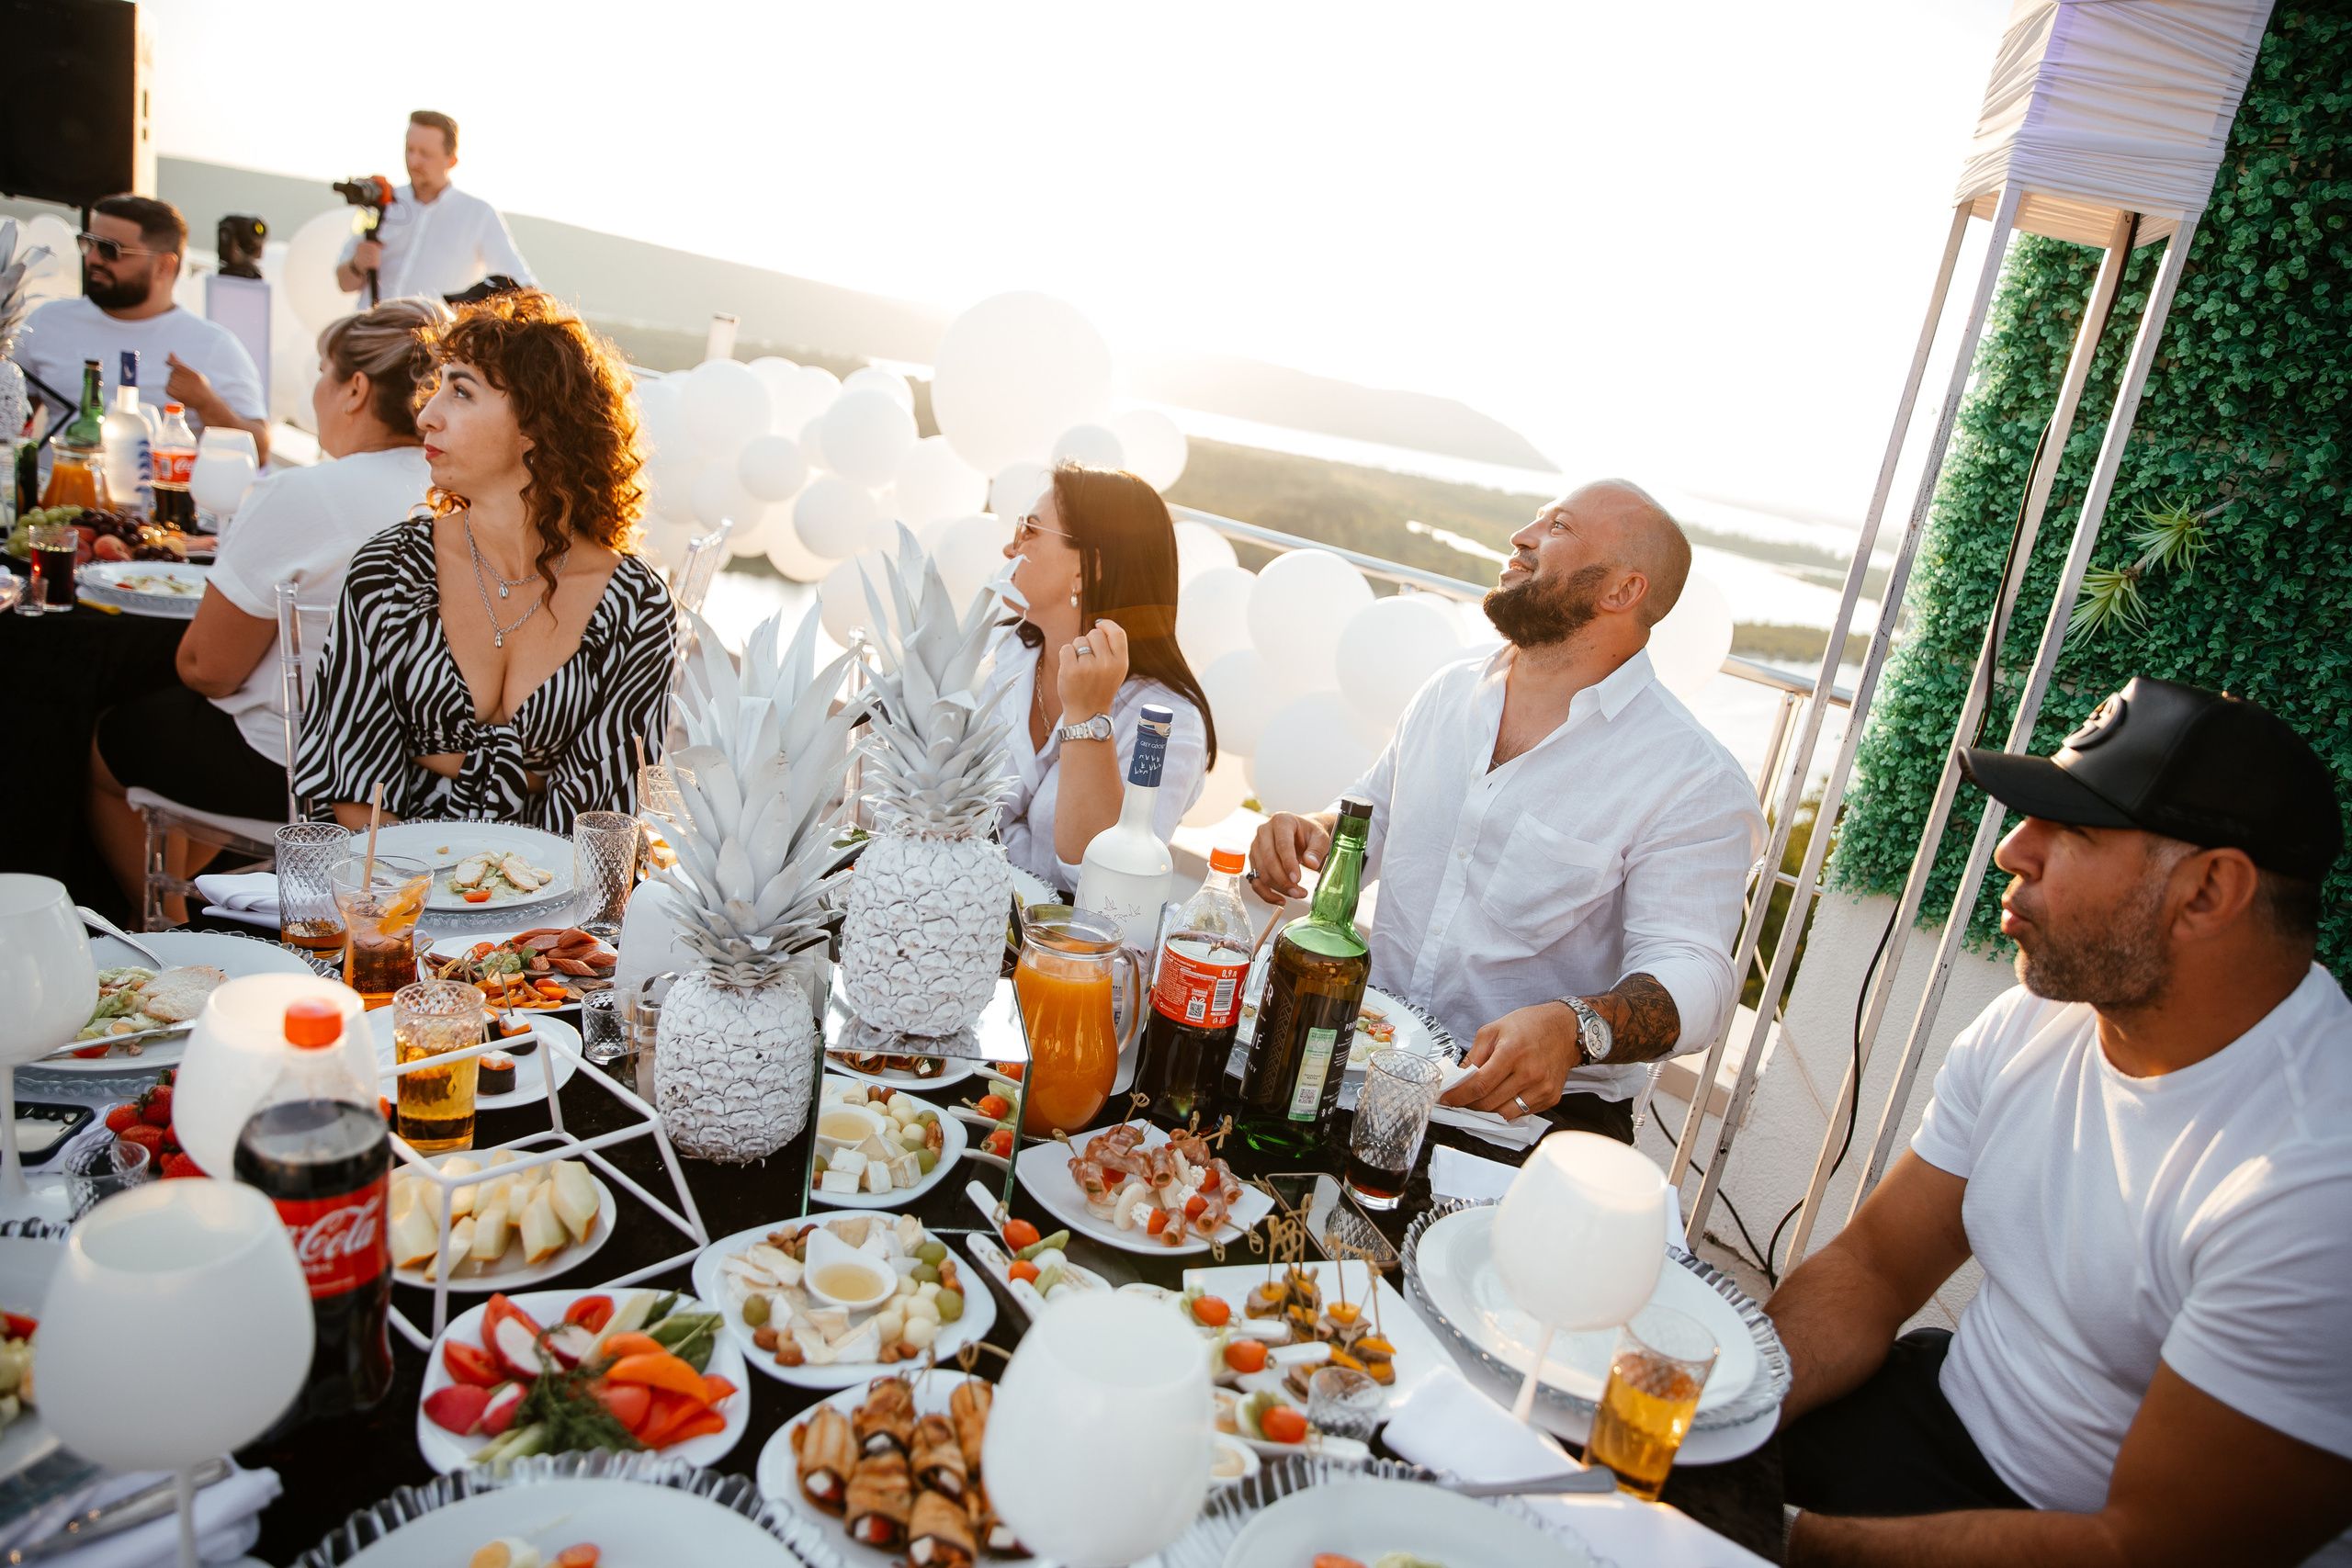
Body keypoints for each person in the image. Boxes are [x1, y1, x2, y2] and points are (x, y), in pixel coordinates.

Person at [1770, 678, 2352, 1567]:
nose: (2010, 851)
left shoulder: (2317, 1183)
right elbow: (1874, 1267)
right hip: (1931, 1419)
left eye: (2071, 831)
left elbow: (2149, 1548)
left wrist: (1774, 1540)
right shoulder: (2039, 1020)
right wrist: (1713, 1420)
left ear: (2206, 894)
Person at [1249, 480, 1762, 1143]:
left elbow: (1696, 974)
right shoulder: (1449, 687)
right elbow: (1371, 817)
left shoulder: (1692, 778)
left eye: (1559, 528)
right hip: (1365, 1060)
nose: (1522, 535)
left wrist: (1576, 1027)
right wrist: (1309, 834)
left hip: (1525, 1116)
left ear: (1621, 591)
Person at [87, 297, 444, 915]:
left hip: (296, 771)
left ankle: (162, 931)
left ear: (354, 388)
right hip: (430, 772)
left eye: (322, 374)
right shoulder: (458, 493)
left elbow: (206, 666)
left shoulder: (304, 491)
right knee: (184, 732)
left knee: (109, 742)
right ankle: (203, 910)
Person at [292, 289, 671, 831]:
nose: (426, 416)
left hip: (550, 899)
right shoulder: (389, 570)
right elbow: (349, 778)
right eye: (434, 389)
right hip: (392, 890)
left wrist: (513, 898)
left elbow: (606, 814)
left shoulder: (635, 606)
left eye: (461, 393)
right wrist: (426, 897)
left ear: (537, 425)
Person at [990, 464, 1215, 891]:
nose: (1009, 547)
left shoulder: (1169, 723)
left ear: (1086, 568)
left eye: (1029, 531)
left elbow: (1102, 877)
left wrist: (1088, 713)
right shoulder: (997, 652)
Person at [13, 194, 269, 465]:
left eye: (111, 250)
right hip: (49, 501)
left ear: (164, 265)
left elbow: (259, 451)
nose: (93, 260)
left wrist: (207, 403)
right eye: (89, 244)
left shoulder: (214, 345)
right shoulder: (47, 321)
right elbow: (13, 415)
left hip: (152, 504)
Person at [334, 110, 533, 304]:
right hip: (367, 333)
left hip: (430, 336)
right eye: (410, 150)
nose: (414, 161)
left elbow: (522, 286)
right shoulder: (380, 202)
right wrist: (358, 265)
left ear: (452, 160)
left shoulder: (479, 215)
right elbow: (344, 284)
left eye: (425, 154)